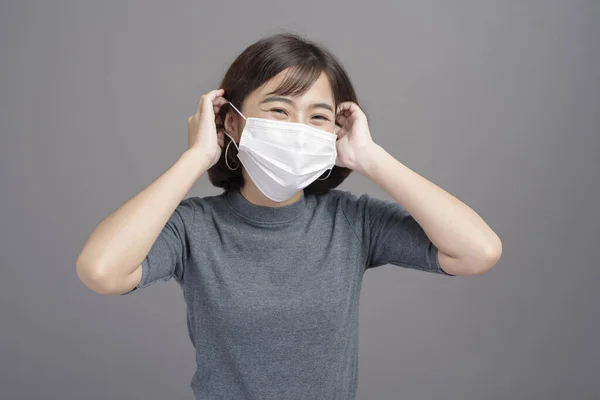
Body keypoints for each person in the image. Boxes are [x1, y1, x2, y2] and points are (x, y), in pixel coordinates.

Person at [76, 33, 502, 400]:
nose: (298, 129)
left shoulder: (353, 221)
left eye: (318, 117)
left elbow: (477, 252)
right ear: (232, 122)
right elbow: (102, 271)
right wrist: (196, 156)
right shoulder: (193, 228)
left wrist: (372, 158)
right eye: (279, 110)